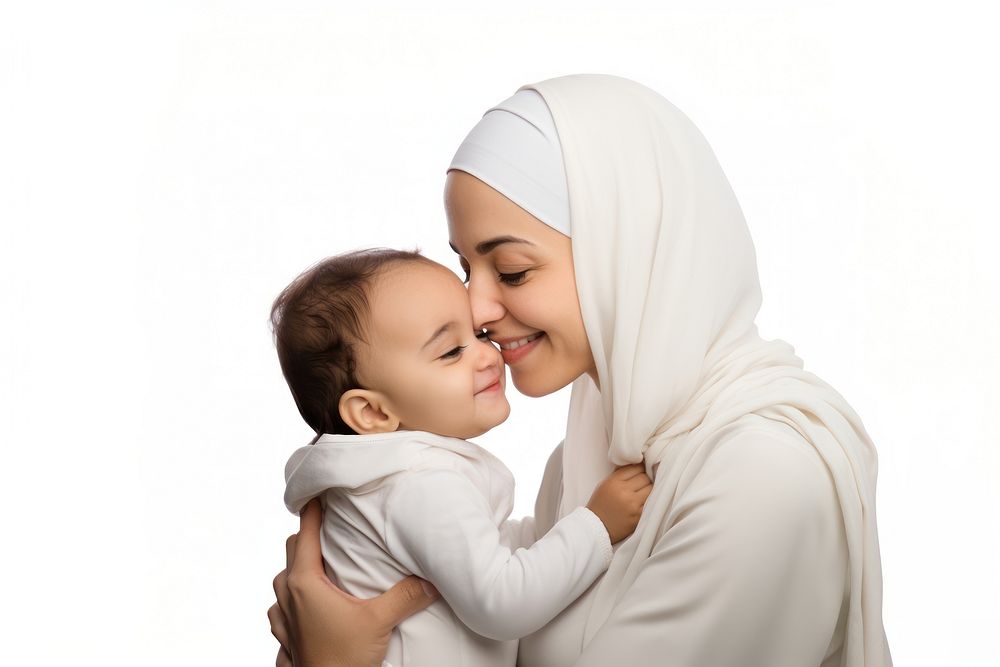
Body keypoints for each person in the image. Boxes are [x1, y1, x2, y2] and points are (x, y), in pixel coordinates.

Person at [269, 74, 893, 667]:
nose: (478, 311)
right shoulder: (595, 447)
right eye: (466, 269)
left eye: (510, 270)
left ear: (627, 251)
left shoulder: (762, 477)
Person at [271, 248, 653, 667]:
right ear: (373, 412)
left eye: (480, 336)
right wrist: (595, 524)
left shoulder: (384, 481)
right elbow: (502, 602)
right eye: (452, 351)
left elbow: (492, 552)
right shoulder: (417, 484)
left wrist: (560, 525)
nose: (489, 355)